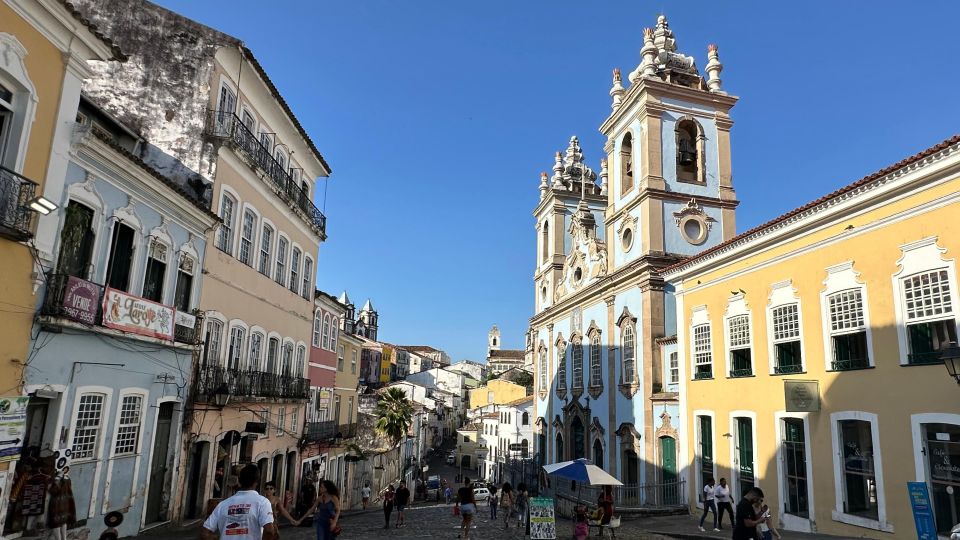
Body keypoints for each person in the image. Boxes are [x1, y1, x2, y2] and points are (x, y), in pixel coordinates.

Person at [201, 464, 277, 540]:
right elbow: (269, 531)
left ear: (239, 481)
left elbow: (204, 533)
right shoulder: (262, 502)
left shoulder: (223, 504)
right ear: (257, 482)